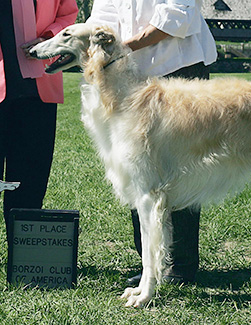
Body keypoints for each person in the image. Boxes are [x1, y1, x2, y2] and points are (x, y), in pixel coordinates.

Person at [87, 0, 217, 284]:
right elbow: (100, 20)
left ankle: (180, 264)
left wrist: (123, 47)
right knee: (138, 169)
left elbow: (178, 16)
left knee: (180, 170)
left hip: (178, 68)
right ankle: (151, 264)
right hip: (128, 73)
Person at [0, 0, 78, 241]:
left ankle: (24, 248)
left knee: (31, 177)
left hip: (39, 91)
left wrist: (50, 38)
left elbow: (69, 15)